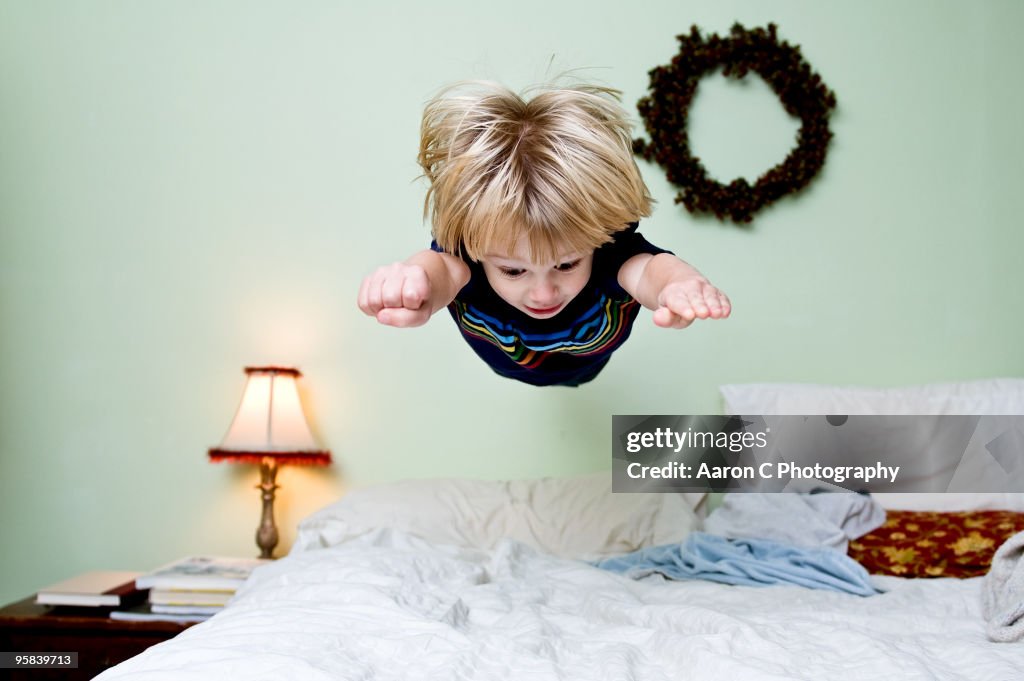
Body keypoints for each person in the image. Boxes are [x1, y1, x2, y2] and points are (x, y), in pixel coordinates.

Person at [358, 80, 730, 387]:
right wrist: (411, 281)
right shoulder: (466, 254)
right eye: (513, 270)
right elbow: (438, 268)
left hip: (588, 367)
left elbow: (650, 270)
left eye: (567, 264)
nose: (543, 293)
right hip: (507, 367)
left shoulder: (610, 251)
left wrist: (678, 285)